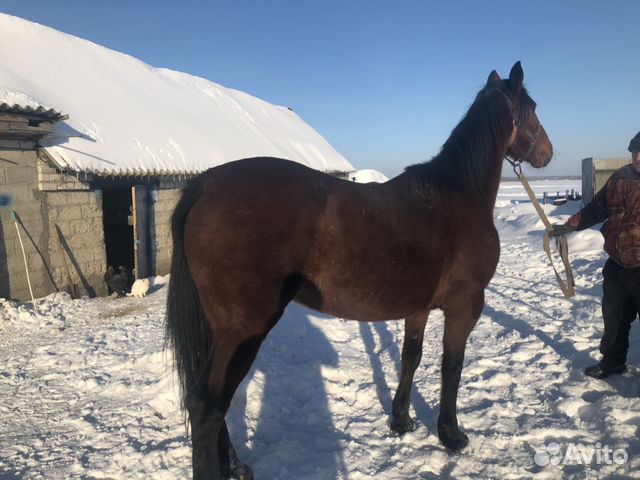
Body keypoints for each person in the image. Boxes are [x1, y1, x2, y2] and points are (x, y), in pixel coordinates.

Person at [551, 131, 640, 379]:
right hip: (618, 264)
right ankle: (612, 363)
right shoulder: (619, 178)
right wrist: (569, 226)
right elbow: (596, 208)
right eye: (634, 151)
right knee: (614, 319)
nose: (638, 157)